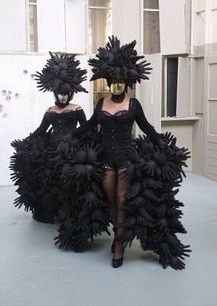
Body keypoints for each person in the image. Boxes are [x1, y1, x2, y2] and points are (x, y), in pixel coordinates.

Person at [55, 37, 191, 270]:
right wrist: (72, 138)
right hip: (106, 160)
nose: (116, 85)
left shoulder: (134, 104)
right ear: (108, 82)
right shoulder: (101, 103)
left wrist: (163, 143)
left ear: (126, 82)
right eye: (113, 81)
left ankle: (118, 246)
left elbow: (147, 128)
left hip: (126, 160)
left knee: (121, 200)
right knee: (110, 201)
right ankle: (119, 235)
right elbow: (88, 127)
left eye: (120, 81)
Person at [10, 52, 87, 223]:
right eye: (60, 93)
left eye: (66, 93)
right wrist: (27, 141)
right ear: (54, 92)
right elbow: (41, 130)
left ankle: (72, 212)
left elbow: (85, 128)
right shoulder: (50, 110)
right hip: (52, 149)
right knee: (49, 180)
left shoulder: (77, 108)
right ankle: (51, 211)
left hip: (71, 149)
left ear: (71, 92)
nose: (63, 96)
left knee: (69, 181)